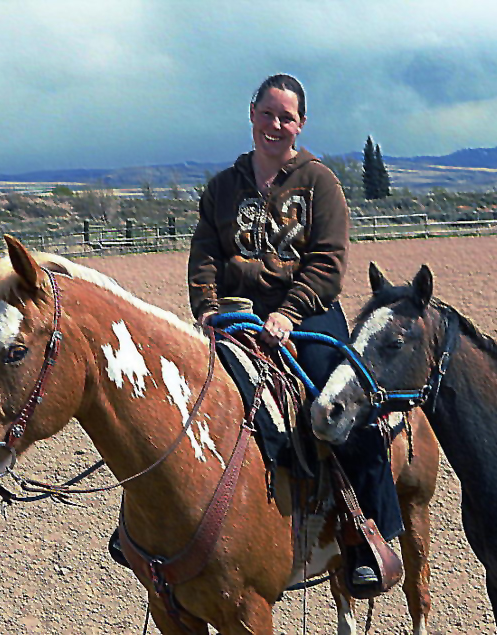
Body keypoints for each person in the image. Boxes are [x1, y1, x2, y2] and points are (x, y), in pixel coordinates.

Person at [187, 73, 402, 587]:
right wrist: (206, 308)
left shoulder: (320, 183)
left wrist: (289, 312)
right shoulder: (221, 188)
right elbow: (204, 257)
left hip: (307, 318)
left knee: (343, 410)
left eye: (287, 117)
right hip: (236, 315)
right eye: (268, 114)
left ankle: (369, 535)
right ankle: (156, 524)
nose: (276, 125)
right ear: (252, 114)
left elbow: (328, 260)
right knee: (182, 396)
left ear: (300, 124)